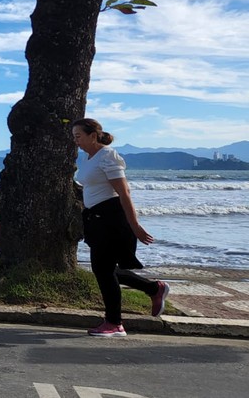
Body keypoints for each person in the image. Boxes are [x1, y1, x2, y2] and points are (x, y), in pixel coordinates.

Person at [73, 118, 169, 337]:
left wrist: (135, 225)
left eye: (78, 136)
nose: (75, 141)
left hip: (111, 219)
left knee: (102, 269)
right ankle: (154, 289)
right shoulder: (89, 157)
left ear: (93, 135)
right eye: (74, 137)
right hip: (95, 219)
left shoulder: (108, 156)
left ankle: (115, 323)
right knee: (104, 269)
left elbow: (124, 193)